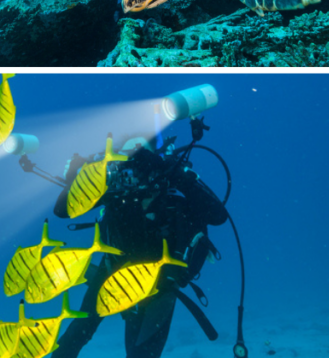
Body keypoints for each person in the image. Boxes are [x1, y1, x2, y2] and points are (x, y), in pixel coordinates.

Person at [49, 135, 228, 358]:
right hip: (112, 272)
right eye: (129, 162)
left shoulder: (168, 181)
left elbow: (218, 215)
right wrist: (80, 181)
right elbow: (62, 210)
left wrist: (170, 170)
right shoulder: (113, 186)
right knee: (71, 341)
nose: (134, 175)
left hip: (161, 283)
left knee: (141, 354)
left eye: (142, 161)